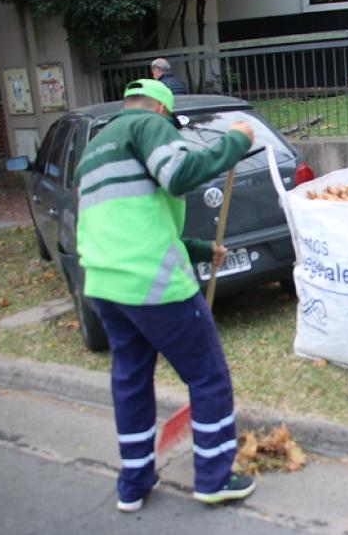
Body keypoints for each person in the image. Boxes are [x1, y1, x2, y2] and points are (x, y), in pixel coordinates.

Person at [74, 78, 255, 512]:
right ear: (160, 110)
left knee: (131, 381)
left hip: (105, 286)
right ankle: (214, 478)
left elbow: (131, 225)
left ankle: (133, 482)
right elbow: (178, 175)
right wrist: (236, 140)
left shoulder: (93, 151)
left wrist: (199, 249)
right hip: (153, 284)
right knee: (208, 376)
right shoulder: (148, 124)